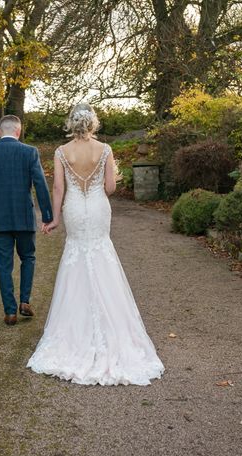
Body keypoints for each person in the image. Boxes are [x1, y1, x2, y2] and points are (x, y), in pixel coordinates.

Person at [26, 103, 164, 386]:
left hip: (75, 208)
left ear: (71, 124)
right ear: (93, 124)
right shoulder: (105, 150)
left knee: (76, 254)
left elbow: (58, 188)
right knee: (102, 253)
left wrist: (52, 219)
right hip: (98, 208)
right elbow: (110, 188)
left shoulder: (62, 153)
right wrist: (109, 176)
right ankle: (114, 326)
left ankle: (73, 330)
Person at [0, 115, 53, 326]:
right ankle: (25, 301)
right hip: (24, 217)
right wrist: (47, 215)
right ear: (18, 131)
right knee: (28, 257)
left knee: (3, 266)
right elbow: (41, 185)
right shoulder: (29, 152)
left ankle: (10, 312)